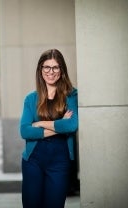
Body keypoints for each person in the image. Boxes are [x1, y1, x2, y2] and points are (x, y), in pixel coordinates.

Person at [19, 49, 78, 208]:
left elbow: (71, 125)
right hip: (33, 161)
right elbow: (25, 130)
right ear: (40, 69)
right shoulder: (31, 98)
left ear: (62, 70)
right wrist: (60, 125)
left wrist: (40, 124)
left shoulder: (71, 95)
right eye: (46, 67)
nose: (51, 72)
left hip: (60, 161)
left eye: (55, 67)